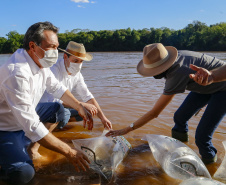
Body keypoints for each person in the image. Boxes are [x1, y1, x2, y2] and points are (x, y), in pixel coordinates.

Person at [0, 22, 97, 185]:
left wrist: (79, 106)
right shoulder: (16, 73)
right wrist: (69, 152)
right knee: (24, 174)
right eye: (51, 47)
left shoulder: (40, 62)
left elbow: (57, 88)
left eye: (57, 47)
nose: (55, 52)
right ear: (33, 45)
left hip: (24, 116)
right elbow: (31, 125)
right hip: (6, 128)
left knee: (58, 109)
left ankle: (29, 148)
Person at [106, 43, 226, 165]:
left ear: (163, 68)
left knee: (202, 137)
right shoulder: (176, 57)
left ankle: (209, 164)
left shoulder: (177, 73)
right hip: (204, 84)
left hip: (223, 89)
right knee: (179, 117)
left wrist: (127, 129)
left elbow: (154, 113)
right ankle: (180, 149)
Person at [40, 41, 112, 130]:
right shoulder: (54, 69)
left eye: (81, 61)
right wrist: (82, 105)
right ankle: (44, 131)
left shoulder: (77, 74)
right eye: (75, 60)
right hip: (43, 106)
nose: (78, 64)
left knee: (89, 111)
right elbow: (54, 101)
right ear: (65, 57)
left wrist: (103, 118)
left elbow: (88, 97)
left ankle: (56, 126)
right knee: (64, 113)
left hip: (58, 107)